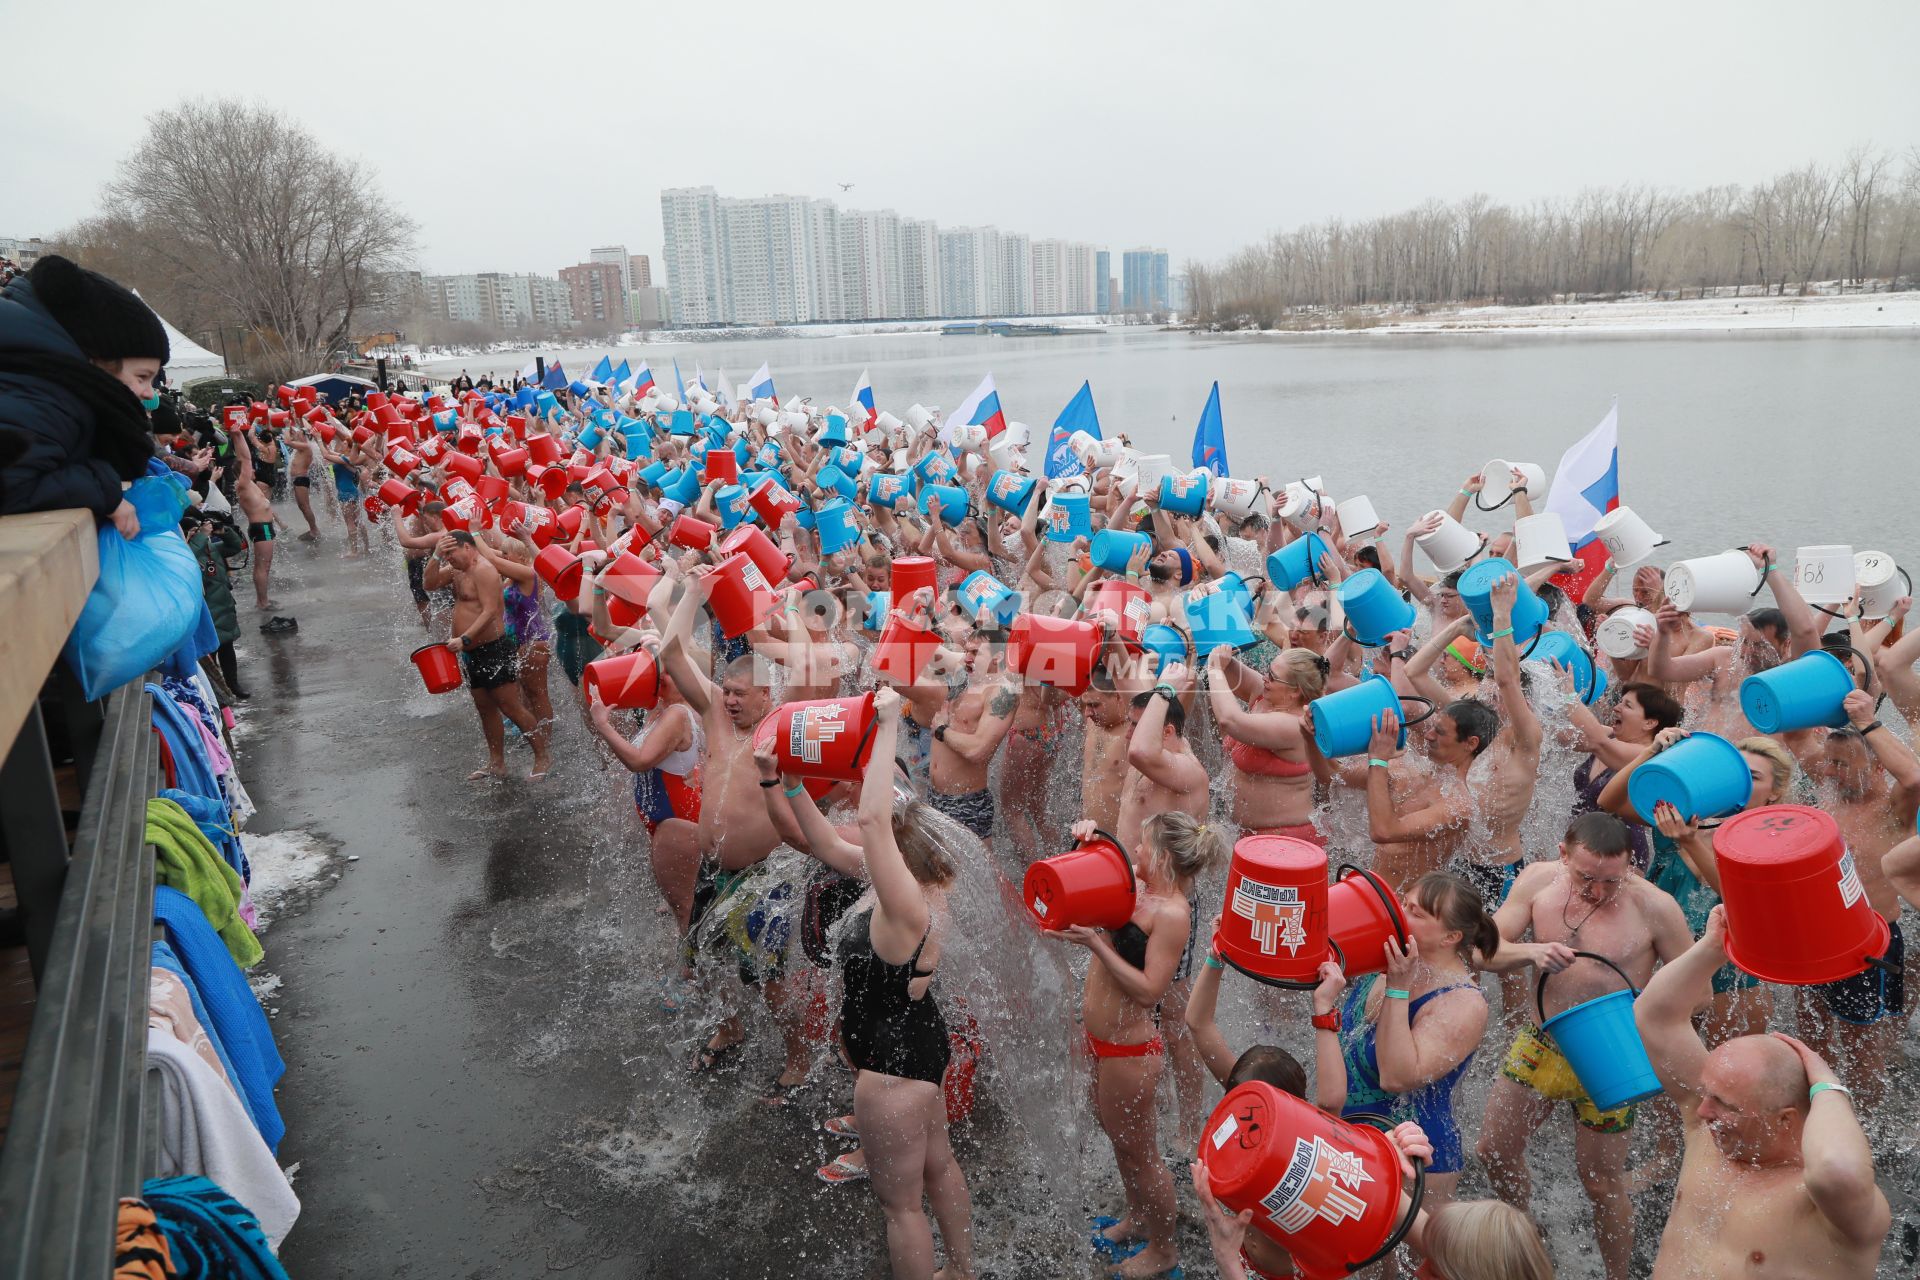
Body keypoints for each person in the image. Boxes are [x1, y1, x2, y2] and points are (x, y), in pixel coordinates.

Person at [761, 688, 976, 1280]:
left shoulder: (904, 902)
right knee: (938, 1166)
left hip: (892, 1069)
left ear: (893, 853)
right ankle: (961, 1271)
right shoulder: (912, 886)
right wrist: (789, 781)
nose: (865, 844)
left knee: (900, 1206)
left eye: (878, 845)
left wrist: (884, 728)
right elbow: (828, 844)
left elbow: (871, 820)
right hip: (919, 1046)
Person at [1476, 812, 1694, 1280]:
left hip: (1614, 1056)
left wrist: (1643, 1016)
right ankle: (1527, 1239)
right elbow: (1481, 949)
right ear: (1562, 854)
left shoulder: (1654, 906)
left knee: (1601, 1182)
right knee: (1493, 1151)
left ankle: (1619, 1276)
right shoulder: (1537, 881)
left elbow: (1701, 994)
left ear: (1630, 866)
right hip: (1541, 1045)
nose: (1596, 891)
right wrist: (1531, 952)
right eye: (1585, 877)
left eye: (1610, 881)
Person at [1636, 905, 1890, 1279]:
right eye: (1707, 1094)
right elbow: (1654, 1016)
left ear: (1785, 1118)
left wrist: (1827, 1083)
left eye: (1724, 1104)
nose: (1703, 1111)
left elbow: (1838, 1171)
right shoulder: (1709, 1133)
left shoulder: (1826, 1203)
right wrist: (1713, 948)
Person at [1051, 811, 1225, 1280]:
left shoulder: (1173, 914)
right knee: (1120, 1142)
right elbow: (1079, 890)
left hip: (1131, 1052)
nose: (1137, 852)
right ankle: (1139, 1219)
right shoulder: (1137, 889)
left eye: (1145, 847)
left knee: (1141, 1153)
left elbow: (1150, 990)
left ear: (1164, 858)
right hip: (1099, 1041)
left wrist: (1097, 945)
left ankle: (1164, 1251)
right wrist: (1084, 845)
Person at [1312, 872, 1495, 1216]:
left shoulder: (1463, 1003)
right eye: (1404, 903)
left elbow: (1395, 1077)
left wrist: (1397, 986)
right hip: (1351, 1137)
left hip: (1417, 1158)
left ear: (1450, 937)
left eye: (1417, 913)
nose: (1399, 913)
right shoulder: (1394, 956)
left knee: (1406, 1266)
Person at [1597, 727, 1794, 1043]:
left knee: (1718, 1083)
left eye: (1754, 778)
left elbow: (1737, 897)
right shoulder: (1691, 812)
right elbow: (1609, 801)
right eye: (1738, 772)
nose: (1742, 782)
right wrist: (1651, 753)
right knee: (1664, 1080)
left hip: (1730, 981)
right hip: (1665, 966)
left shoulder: (1773, 840)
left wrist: (1689, 842)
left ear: (1775, 792)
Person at [1801, 689, 1920, 1105]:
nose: (1828, 773)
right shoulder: (1831, 796)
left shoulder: (1893, 809)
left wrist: (1869, 721)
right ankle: (1822, 1106)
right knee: (1810, 1030)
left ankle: (1870, 1124)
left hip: (1869, 943)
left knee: (1864, 1048)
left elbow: (1916, 778)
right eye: (1827, 763)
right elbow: (1795, 737)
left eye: (1840, 765)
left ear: (1876, 768)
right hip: (1816, 938)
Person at [0, 254, 165, 533]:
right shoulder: (44, 397)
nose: (149, 394)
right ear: (97, 358)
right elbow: (12, 485)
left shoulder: (44, 385)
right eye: (142, 377)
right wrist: (102, 489)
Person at [421, 531, 552, 780]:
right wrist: (436, 555)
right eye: (445, 554)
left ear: (468, 548)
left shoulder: (484, 569)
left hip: (492, 648)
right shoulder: (456, 570)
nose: (450, 558)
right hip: (470, 652)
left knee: (511, 707)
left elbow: (490, 611)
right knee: (484, 708)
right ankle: (496, 763)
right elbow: (428, 584)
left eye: (452, 552)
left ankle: (543, 756)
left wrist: (465, 638)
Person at [1205, 644, 1326, 843]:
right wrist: (1220, 654)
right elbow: (1230, 670)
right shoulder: (1267, 694)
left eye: (1272, 676)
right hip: (1249, 835)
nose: (1264, 677)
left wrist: (1214, 669)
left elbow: (1229, 720)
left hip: (1284, 839)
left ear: (1295, 692)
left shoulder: (1295, 725)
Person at [1563, 680, 1684, 871]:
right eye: (1620, 701)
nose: (1616, 707)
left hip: (1620, 853)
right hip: (1581, 844)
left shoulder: (1647, 756)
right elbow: (1558, 736)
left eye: (1627, 705)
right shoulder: (1610, 737)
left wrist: (1569, 693)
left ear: (1649, 722)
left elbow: (1597, 741)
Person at [184, 506, 248, 699]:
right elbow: (190, 554)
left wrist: (224, 532)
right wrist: (201, 536)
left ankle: (233, 685)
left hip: (224, 607)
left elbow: (235, 547)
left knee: (227, 649)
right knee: (209, 654)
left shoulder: (212, 548)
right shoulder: (185, 552)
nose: (200, 534)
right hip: (205, 610)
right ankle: (218, 693)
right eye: (194, 532)